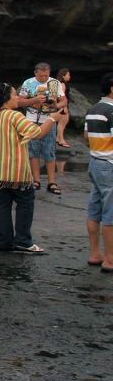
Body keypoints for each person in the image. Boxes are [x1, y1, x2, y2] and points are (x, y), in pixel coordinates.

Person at [0, 82, 57, 253]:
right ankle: (23, 240)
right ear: (6, 98)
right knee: (25, 203)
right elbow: (37, 134)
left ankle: (4, 241)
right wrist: (53, 119)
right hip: (15, 170)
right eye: (14, 94)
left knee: (2, 205)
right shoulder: (14, 116)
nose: (18, 98)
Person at [18, 62, 67, 195]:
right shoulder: (28, 83)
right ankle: (36, 180)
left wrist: (56, 106)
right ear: (35, 73)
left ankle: (52, 182)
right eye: (41, 76)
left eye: (46, 76)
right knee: (33, 151)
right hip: (32, 120)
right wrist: (33, 101)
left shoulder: (55, 83)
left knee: (49, 150)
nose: (44, 78)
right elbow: (19, 101)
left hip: (49, 119)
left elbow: (64, 100)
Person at [84, 73, 113, 271]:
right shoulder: (112, 111)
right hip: (109, 164)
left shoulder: (93, 109)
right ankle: (110, 259)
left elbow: (86, 137)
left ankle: (95, 253)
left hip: (95, 162)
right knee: (110, 213)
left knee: (94, 210)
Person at [55, 69, 73, 148]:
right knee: (62, 123)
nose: (69, 76)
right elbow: (61, 96)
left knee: (63, 122)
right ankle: (61, 139)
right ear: (63, 75)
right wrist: (64, 107)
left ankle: (58, 138)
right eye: (68, 75)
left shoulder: (60, 83)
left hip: (63, 105)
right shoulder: (62, 84)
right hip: (63, 105)